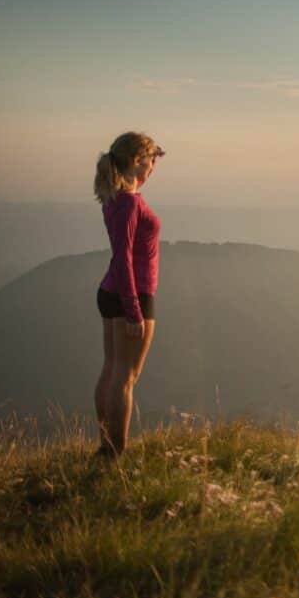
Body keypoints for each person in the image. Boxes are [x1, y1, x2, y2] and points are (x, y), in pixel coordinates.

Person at [92, 132, 165, 458]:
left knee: (112, 370)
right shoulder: (128, 203)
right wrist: (134, 310)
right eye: (151, 161)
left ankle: (106, 447)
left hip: (114, 291)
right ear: (136, 161)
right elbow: (123, 257)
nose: (153, 168)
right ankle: (113, 453)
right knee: (125, 377)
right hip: (131, 293)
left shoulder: (116, 199)